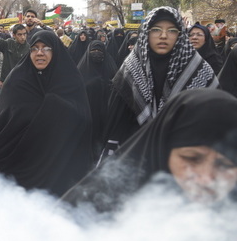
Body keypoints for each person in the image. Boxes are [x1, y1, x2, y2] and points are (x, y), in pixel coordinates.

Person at [62, 88, 237, 213]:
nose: (206, 178)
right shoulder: (96, 207)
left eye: (225, 164)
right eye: (192, 159)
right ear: (164, 149)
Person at [0, 29, 93, 197]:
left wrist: (54, 106)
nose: (40, 53)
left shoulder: (70, 80)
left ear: (55, 50)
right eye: (35, 48)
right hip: (18, 166)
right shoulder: (17, 80)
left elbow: (83, 118)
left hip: (58, 166)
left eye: (46, 48)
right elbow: (1, 119)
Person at [103, 6, 218, 155]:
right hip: (135, 156)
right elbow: (116, 124)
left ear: (180, 35)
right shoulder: (130, 69)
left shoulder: (199, 70)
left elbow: (211, 121)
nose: (163, 36)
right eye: (156, 29)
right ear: (146, 33)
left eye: (171, 30)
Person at [77, 40, 118, 157]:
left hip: (106, 112)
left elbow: (117, 87)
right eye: (93, 51)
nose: (96, 53)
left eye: (99, 51)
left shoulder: (111, 67)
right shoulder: (81, 69)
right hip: (87, 112)